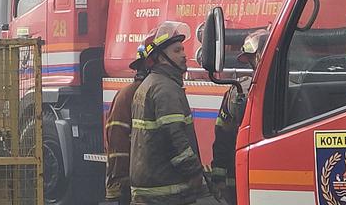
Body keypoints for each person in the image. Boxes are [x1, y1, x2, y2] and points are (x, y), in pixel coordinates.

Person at [130, 21, 207, 205]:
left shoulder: (149, 84)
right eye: (177, 51)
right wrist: (194, 172)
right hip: (166, 190)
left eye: (183, 49)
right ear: (161, 57)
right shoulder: (165, 88)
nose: (184, 55)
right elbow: (173, 137)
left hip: (149, 187)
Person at [210, 29, 270, 205]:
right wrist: (219, 176)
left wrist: (218, 178)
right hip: (240, 178)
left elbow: (223, 136)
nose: (252, 63)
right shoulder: (238, 92)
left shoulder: (239, 90)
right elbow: (223, 136)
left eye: (253, 58)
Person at [106, 43, 150, 205]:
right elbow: (117, 138)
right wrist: (119, 179)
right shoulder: (128, 95)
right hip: (129, 182)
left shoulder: (157, 92)